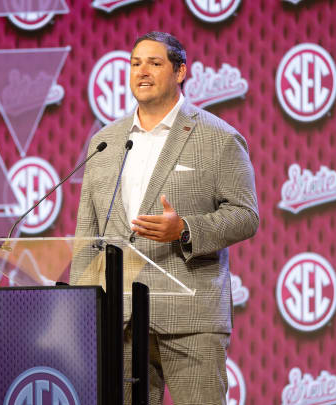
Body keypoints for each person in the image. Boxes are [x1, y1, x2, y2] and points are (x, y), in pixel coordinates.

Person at [73, 31, 259, 405]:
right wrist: (81, 308)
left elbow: (245, 215)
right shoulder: (105, 143)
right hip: (119, 319)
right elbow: (87, 232)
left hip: (190, 319)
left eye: (154, 63)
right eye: (135, 63)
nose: (142, 72)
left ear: (180, 72)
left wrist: (186, 228)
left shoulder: (218, 138)